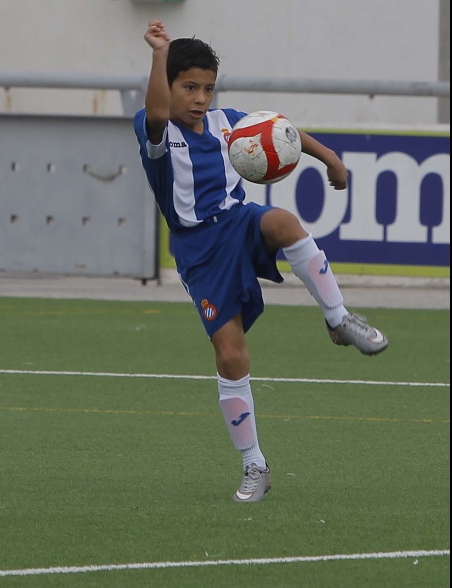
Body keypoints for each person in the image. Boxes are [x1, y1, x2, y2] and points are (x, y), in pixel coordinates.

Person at [134, 21, 388, 503]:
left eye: (207, 88)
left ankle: (339, 319)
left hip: (239, 221)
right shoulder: (158, 130)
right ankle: (255, 466)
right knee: (231, 356)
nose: (200, 98)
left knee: (285, 222)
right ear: (169, 86)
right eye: (189, 86)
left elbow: (283, 131)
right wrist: (158, 55)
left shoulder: (228, 122)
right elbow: (153, 110)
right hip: (200, 251)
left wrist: (330, 158)